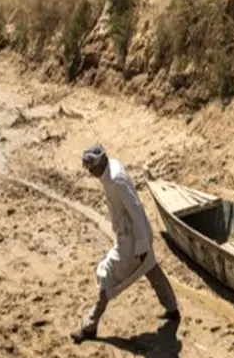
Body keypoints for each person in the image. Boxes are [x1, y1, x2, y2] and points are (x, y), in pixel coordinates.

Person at [71, 143, 180, 344]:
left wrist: (140, 247)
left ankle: (89, 326)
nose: (91, 172)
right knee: (151, 269)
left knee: (108, 277)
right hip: (134, 235)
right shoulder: (111, 169)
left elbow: (136, 211)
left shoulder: (116, 180)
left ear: (100, 162)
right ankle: (172, 309)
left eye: (91, 168)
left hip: (132, 240)